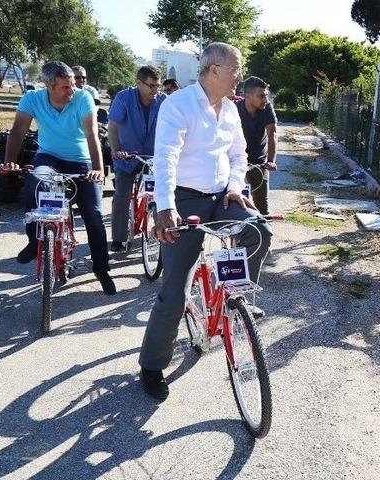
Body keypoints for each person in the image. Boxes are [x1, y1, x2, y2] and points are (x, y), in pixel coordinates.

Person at [138, 43, 271, 401]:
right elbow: (166, 157)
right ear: (214, 71)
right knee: (175, 291)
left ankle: (235, 297)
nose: (240, 76)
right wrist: (165, 206)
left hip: (222, 197)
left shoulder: (230, 109)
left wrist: (235, 187)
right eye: (235, 69)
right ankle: (151, 366)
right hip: (184, 200)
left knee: (259, 231)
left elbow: (239, 155)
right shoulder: (179, 105)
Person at [5, 61, 116, 294]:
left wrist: (97, 168)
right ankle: (35, 241)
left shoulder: (83, 98)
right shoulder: (32, 99)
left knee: (93, 213)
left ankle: (102, 269)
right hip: (49, 157)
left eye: (73, 84)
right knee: (35, 183)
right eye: (65, 87)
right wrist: (9, 161)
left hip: (81, 159)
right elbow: (18, 131)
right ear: (48, 85)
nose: (72, 90)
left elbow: (91, 135)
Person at [107, 66, 167, 252]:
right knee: (122, 195)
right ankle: (118, 238)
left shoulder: (164, 101)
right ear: (139, 83)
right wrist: (116, 150)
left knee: (159, 194)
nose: (155, 90)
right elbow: (113, 125)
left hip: (153, 157)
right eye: (151, 86)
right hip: (126, 156)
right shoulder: (124, 98)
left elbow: (172, 128)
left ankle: (163, 235)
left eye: (157, 86)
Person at [235, 76, 277, 215]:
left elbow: (272, 135)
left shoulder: (267, 108)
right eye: (261, 96)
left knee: (261, 203)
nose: (265, 100)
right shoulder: (235, 109)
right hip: (236, 159)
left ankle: (263, 225)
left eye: (266, 95)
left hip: (259, 160)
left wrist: (271, 161)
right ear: (247, 96)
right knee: (233, 199)